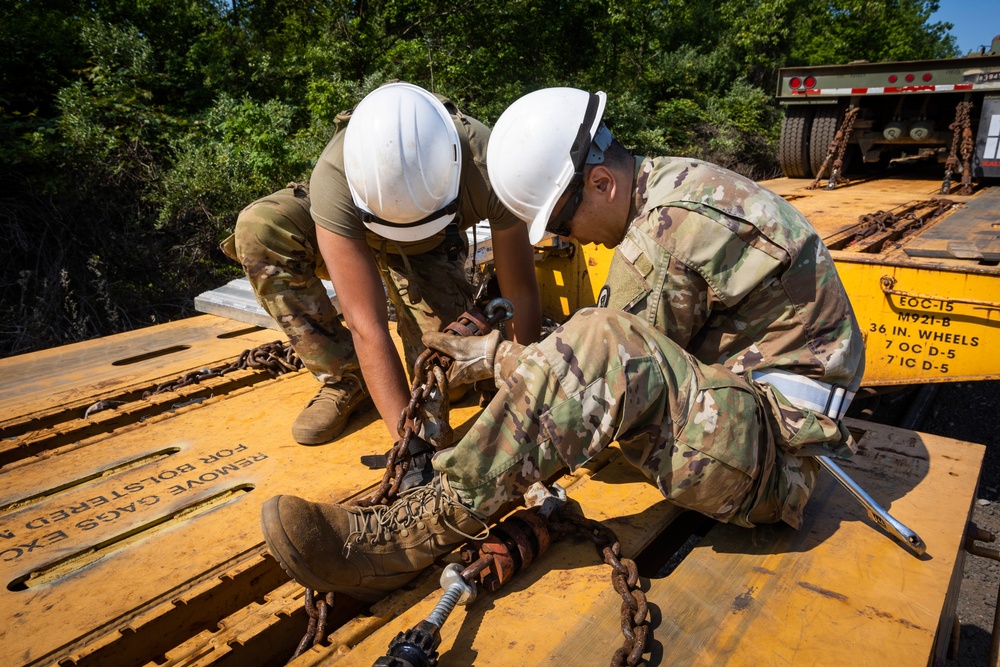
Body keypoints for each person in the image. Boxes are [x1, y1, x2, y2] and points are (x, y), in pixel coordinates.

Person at [260, 87, 866, 601]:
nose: (565, 236)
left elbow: (602, 364)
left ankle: (406, 538)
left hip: (780, 463)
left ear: (600, 182)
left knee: (600, 340)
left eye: (561, 221)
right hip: (762, 421)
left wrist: (495, 357)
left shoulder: (666, 233)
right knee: (594, 337)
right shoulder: (672, 186)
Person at [224, 82, 541, 448]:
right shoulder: (335, 176)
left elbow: (520, 291)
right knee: (261, 227)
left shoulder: (487, 163)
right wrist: (408, 446)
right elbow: (366, 324)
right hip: (350, 234)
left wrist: (519, 394)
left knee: (447, 379)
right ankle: (345, 376)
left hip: (429, 249)